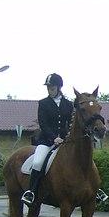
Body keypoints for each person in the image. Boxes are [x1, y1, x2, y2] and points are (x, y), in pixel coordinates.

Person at [21, 73, 74, 206]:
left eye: (52, 87)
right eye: (48, 87)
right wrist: (53, 138)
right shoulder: (43, 103)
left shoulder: (68, 104)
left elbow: (70, 123)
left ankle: (93, 189)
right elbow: (43, 123)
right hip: (47, 141)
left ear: (59, 87)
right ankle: (31, 192)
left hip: (65, 141)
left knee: (80, 158)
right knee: (38, 162)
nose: (49, 89)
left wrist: (66, 136)